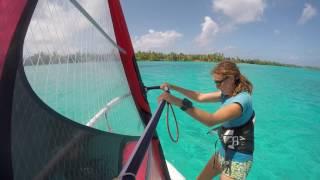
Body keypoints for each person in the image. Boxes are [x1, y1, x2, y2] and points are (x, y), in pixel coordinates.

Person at [158, 60, 254, 180]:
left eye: (219, 82)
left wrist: (176, 101)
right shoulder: (227, 93)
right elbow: (199, 97)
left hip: (238, 160)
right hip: (223, 152)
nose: (217, 86)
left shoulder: (241, 101)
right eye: (215, 82)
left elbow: (211, 120)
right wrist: (173, 87)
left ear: (232, 78)